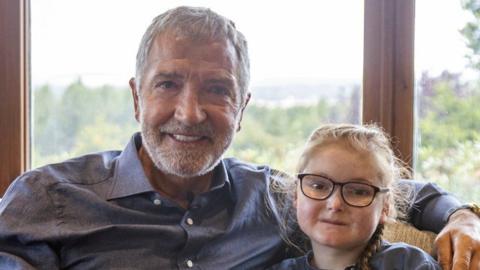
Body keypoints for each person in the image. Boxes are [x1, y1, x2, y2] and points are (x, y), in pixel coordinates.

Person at [0, 6, 478, 270]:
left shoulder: (272, 198)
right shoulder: (51, 197)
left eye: (217, 89)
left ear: (242, 109)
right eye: (168, 84)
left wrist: (462, 219)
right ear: (136, 97)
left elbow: (375, 188)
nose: (190, 113)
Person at [268, 124, 440, 269]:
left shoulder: (410, 264)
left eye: (358, 191)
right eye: (319, 186)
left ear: (385, 207)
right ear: (296, 195)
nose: (335, 204)